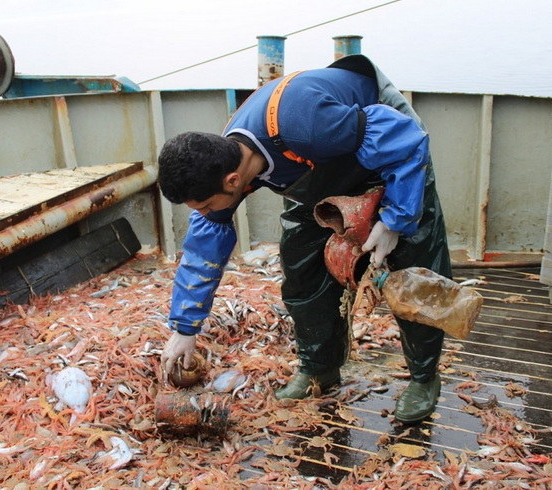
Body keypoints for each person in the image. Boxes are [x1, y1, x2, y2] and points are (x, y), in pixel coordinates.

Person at [157, 54, 452, 423]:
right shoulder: (223, 163)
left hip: (391, 144)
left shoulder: (306, 125)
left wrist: (396, 219)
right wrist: (185, 329)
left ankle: (425, 379)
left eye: (203, 205)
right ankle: (319, 369)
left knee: (414, 268)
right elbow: (204, 247)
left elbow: (405, 140)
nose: (203, 212)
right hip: (322, 166)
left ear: (233, 181)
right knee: (301, 267)